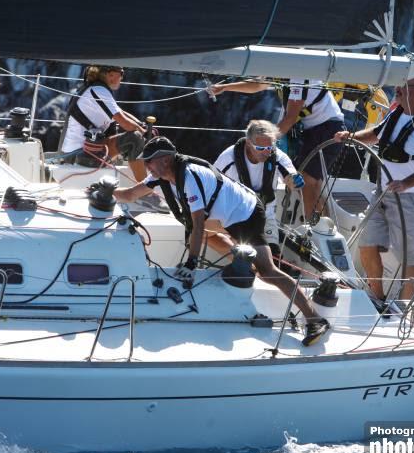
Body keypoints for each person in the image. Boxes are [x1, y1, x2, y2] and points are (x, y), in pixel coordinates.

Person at [113, 136, 330, 346]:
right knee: (200, 234)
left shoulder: (189, 176)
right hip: (226, 215)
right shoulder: (160, 174)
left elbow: (198, 224)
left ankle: (315, 320)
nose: (146, 165)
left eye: (149, 161)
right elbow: (131, 194)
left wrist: (191, 263)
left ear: (165, 160)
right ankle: (242, 258)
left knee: (267, 270)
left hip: (247, 214)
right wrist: (106, 192)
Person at [334, 75, 414, 301]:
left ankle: (403, 309)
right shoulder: (396, 113)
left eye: (403, 87)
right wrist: (351, 138)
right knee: (366, 245)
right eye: (398, 86)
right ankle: (378, 298)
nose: (397, 90)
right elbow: (374, 135)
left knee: (409, 258)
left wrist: (405, 183)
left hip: (409, 199)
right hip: (381, 193)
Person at [212, 78, 346, 220]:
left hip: (327, 129)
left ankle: (319, 231)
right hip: (313, 130)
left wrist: (266, 144)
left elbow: (290, 118)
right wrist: (225, 87)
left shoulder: (299, 75)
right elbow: (258, 84)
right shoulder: (280, 68)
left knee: (308, 183)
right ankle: (323, 228)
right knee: (312, 186)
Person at [214, 120, 305, 254]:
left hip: (265, 214)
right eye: (261, 148)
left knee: (273, 254)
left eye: (269, 148)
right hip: (235, 214)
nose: (266, 153)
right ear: (249, 143)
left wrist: (295, 181)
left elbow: (289, 177)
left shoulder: (277, 156)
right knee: (247, 255)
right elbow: (211, 183)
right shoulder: (228, 158)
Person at [60, 65, 147, 181]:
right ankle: (145, 191)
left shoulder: (96, 89)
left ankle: (142, 182)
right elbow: (126, 124)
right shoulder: (99, 91)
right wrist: (145, 135)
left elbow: (121, 112)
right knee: (135, 139)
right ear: (109, 74)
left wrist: (141, 125)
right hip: (79, 153)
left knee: (136, 135)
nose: (122, 77)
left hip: (83, 149)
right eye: (121, 73)